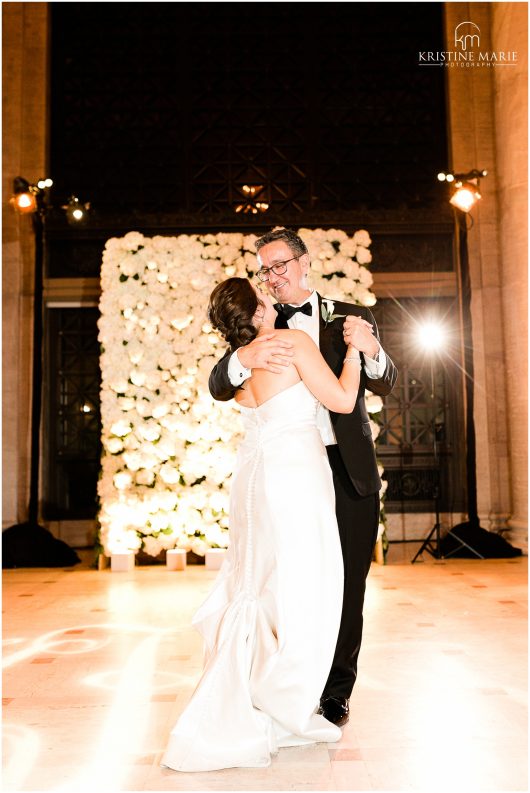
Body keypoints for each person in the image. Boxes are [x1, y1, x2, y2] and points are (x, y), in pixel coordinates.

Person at [162, 278, 362, 772]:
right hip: (295, 477)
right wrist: (354, 355)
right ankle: (281, 701)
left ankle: (251, 693)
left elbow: (227, 387)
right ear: (253, 312)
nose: (270, 295)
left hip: (253, 480)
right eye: (261, 294)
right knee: (304, 585)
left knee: (255, 584)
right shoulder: (291, 342)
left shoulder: (244, 362)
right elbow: (339, 401)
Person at [208, 228, 398, 728]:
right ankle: (291, 681)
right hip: (292, 475)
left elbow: (388, 378)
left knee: (348, 584)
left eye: (279, 265)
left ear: (304, 262)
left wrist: (369, 348)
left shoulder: (350, 315)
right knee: (288, 581)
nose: (272, 278)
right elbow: (217, 384)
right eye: (263, 270)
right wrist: (239, 359)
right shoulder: (258, 335)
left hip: (346, 470)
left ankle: (335, 691)